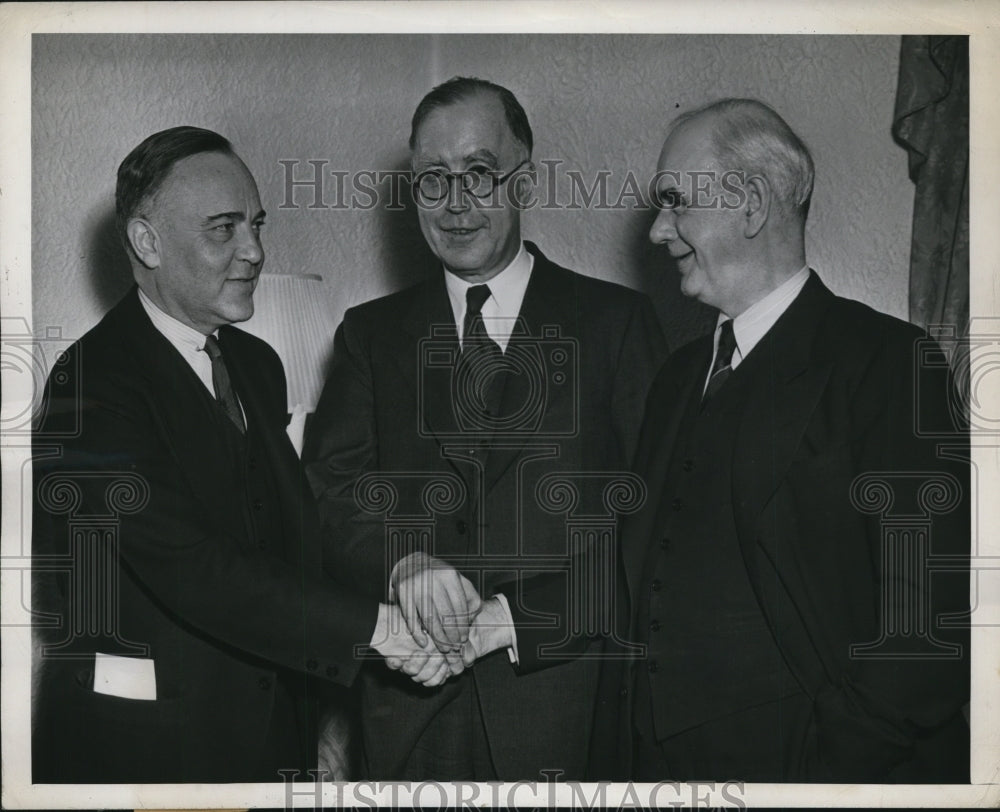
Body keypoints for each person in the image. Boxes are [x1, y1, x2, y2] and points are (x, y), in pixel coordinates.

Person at [31, 126, 457, 784]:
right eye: (223, 229)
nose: (254, 251)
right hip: (144, 755)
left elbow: (292, 543)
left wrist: (326, 715)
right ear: (146, 242)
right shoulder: (90, 386)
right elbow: (193, 568)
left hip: (266, 744)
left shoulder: (254, 364)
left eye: (256, 224)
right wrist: (380, 631)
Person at [304, 77, 667, 780]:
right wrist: (401, 563)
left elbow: (650, 533)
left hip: (564, 709)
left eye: (479, 172)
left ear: (523, 182)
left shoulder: (616, 326)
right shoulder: (370, 335)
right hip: (410, 716)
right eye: (433, 180)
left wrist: (516, 618)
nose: (456, 203)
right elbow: (328, 495)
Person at [612, 98, 969, 782]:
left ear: (748, 204)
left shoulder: (890, 363)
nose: (659, 231)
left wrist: (824, 772)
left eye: (675, 203)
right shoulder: (678, 376)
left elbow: (928, 627)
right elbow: (634, 572)